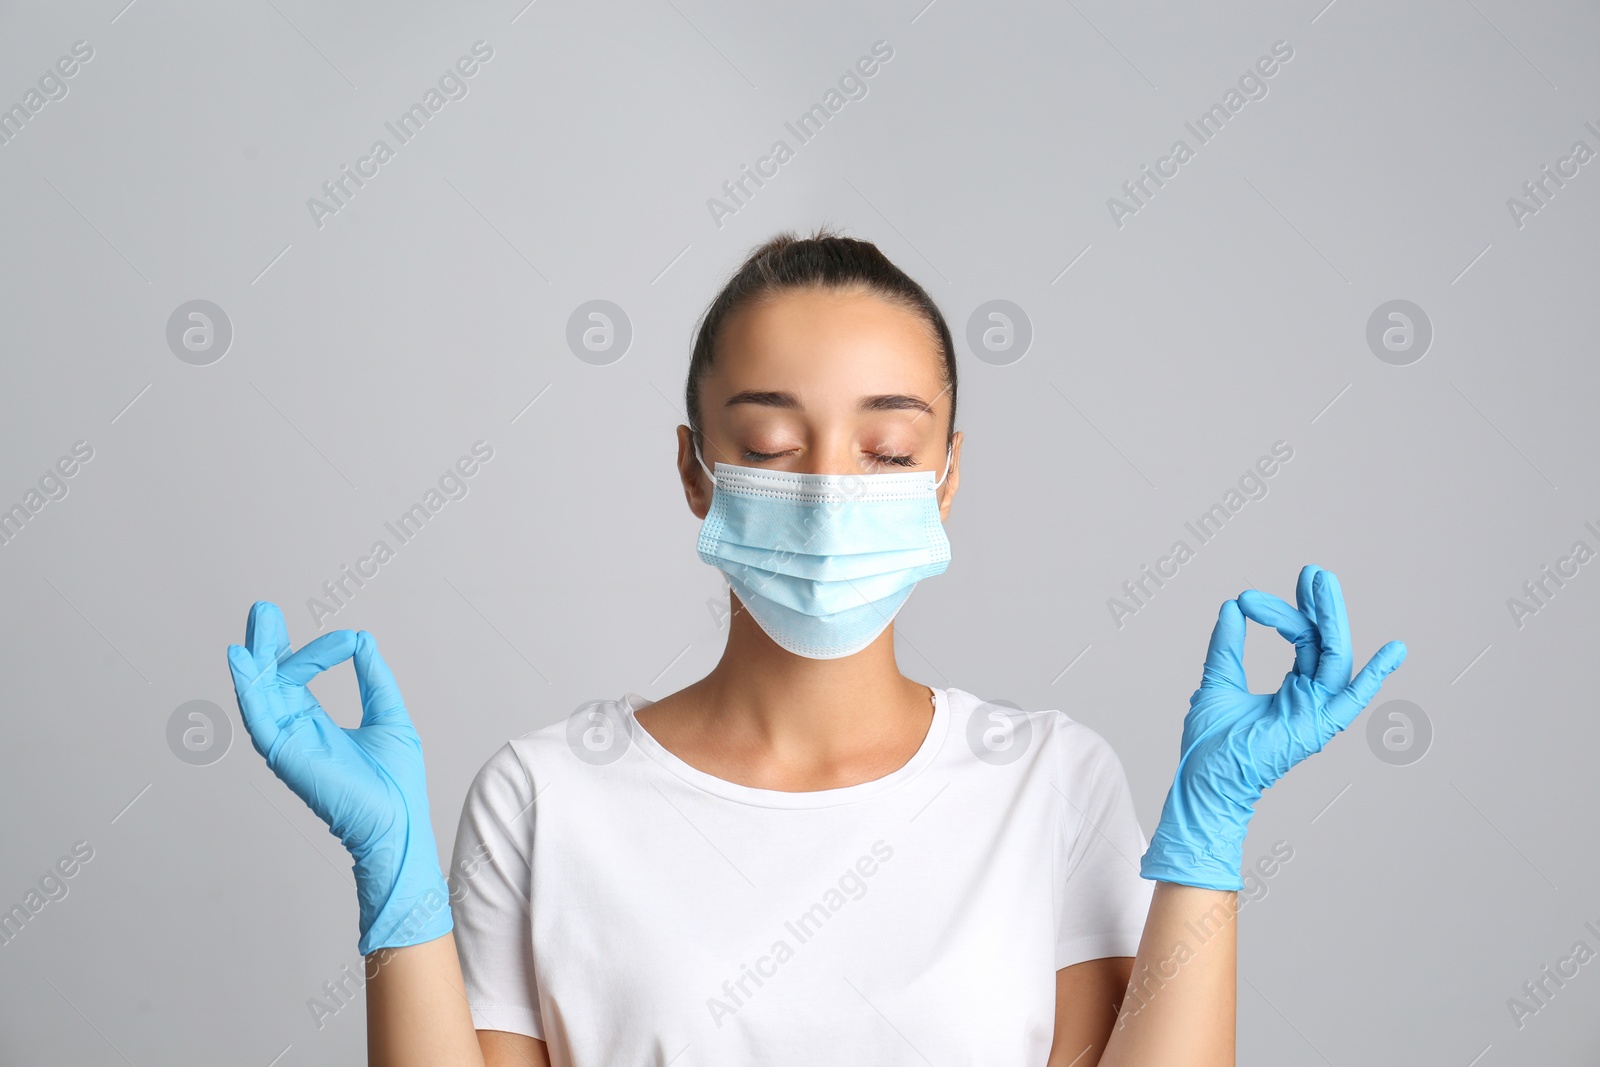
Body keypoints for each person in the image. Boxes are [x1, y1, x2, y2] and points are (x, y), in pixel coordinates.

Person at [226, 228, 1406, 1066]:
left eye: (887, 453)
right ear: (694, 468)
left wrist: (1209, 839)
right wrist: (394, 884)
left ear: (947, 475)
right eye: (776, 443)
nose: (833, 487)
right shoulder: (546, 795)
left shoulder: (1050, 782)